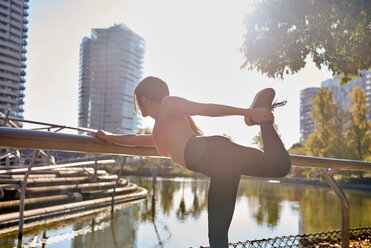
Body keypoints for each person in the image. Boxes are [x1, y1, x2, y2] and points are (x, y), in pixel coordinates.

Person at [94, 76, 291, 248]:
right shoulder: (158, 131)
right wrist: (108, 137)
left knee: (280, 166)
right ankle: (260, 113)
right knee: (217, 237)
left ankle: (261, 113)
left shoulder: (169, 104)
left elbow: (207, 109)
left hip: (218, 152)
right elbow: (134, 140)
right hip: (221, 173)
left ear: (144, 98)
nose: (137, 104)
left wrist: (249, 113)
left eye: (137, 100)